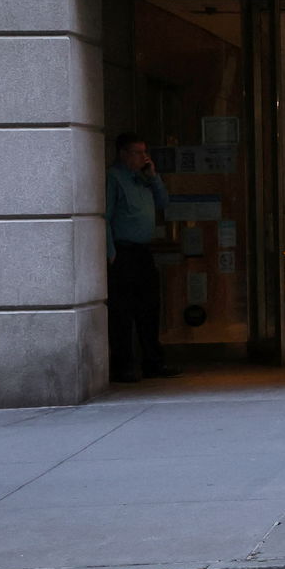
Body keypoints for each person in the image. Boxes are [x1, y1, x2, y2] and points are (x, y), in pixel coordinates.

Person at [105, 133, 181, 383]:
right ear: (123, 154)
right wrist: (110, 253)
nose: (143, 157)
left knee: (149, 308)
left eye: (144, 152)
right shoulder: (114, 178)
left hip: (143, 252)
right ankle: (123, 366)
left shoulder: (144, 179)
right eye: (137, 152)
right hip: (123, 251)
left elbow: (164, 202)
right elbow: (104, 216)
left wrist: (154, 177)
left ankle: (153, 361)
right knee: (122, 312)